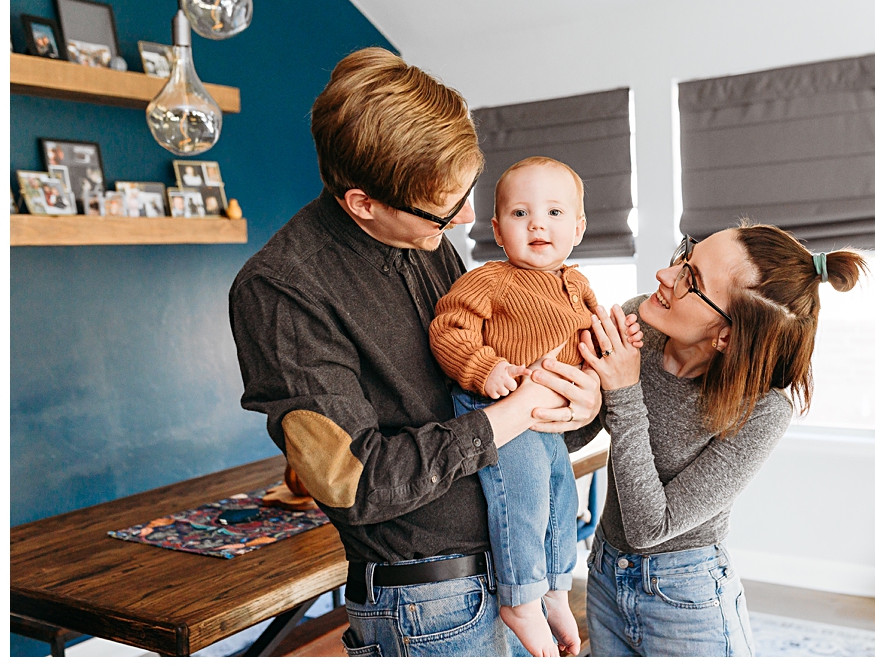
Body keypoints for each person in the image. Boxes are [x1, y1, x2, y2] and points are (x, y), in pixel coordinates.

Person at [229, 49, 603, 657]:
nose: (466, 219)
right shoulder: (281, 290)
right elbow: (354, 480)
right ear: (363, 204)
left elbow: (488, 406)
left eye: (467, 193)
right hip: (426, 605)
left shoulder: (427, 240)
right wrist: (512, 413)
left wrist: (578, 409)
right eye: (442, 209)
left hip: (504, 568)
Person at [575, 227, 865, 656]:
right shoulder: (639, 322)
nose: (664, 274)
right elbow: (573, 434)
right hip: (603, 572)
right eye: (684, 258)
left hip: (685, 597)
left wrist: (622, 390)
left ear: (727, 336)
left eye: (691, 280)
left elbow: (649, 528)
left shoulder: (761, 411)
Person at [429, 156, 600, 658]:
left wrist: (605, 359)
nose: (538, 224)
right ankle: (520, 599)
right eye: (520, 214)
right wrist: (487, 369)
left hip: (547, 419)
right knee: (522, 499)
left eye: (553, 212)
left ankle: (553, 588)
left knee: (561, 501)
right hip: (498, 407)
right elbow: (449, 328)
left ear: (579, 227)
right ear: (499, 231)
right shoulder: (492, 279)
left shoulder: (578, 285)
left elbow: (591, 341)